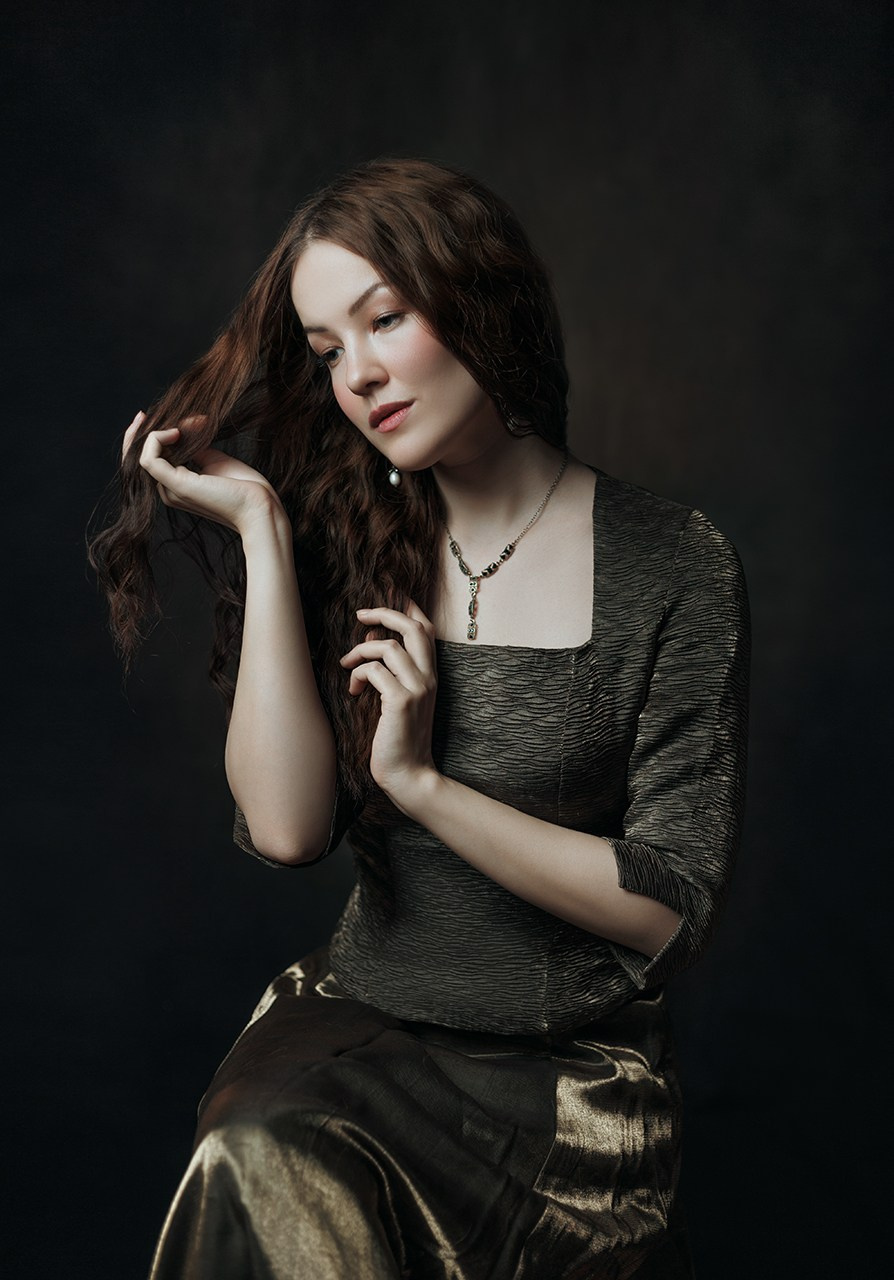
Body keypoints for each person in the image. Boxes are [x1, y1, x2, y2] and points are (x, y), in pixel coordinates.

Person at [89, 157, 750, 1279]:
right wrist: (262, 531)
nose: (358, 375)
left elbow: (669, 912)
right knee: (256, 1151)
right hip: (362, 1037)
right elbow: (287, 831)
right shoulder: (342, 544)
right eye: (325, 350)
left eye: (384, 319)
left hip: (571, 1086)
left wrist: (422, 785)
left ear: (479, 299)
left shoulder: (672, 563)